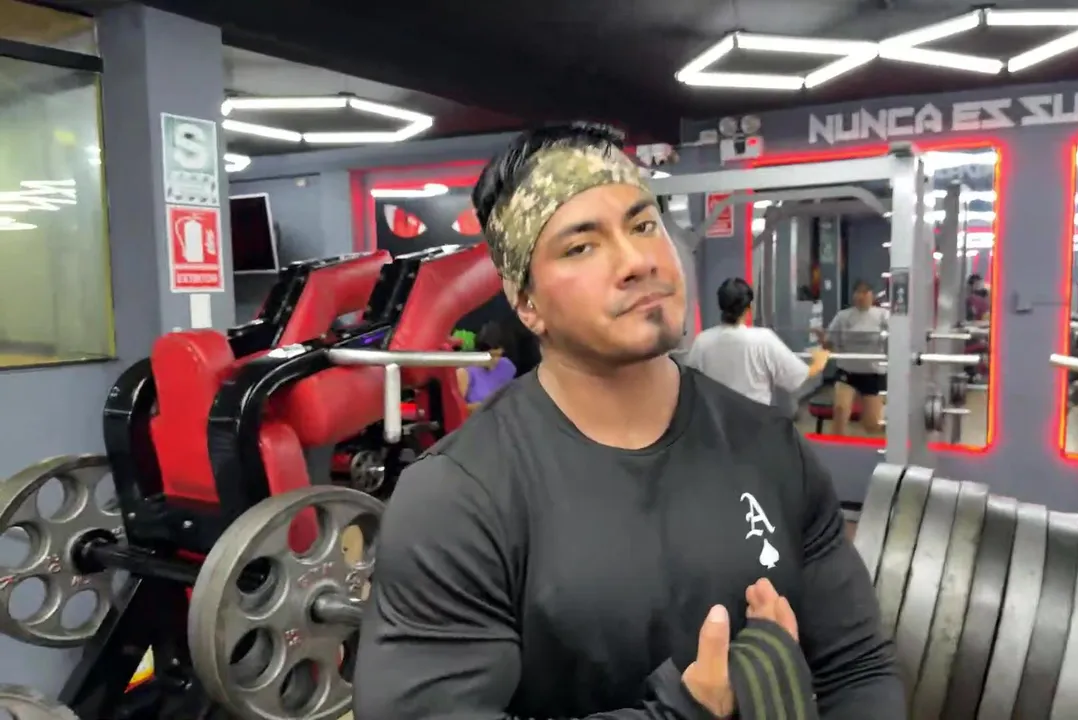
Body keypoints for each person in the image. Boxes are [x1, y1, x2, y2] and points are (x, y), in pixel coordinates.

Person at [355, 122, 903, 720]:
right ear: (527, 303)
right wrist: (683, 712)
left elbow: (858, 670)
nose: (638, 261)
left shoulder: (772, 448)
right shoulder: (457, 497)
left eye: (643, 226)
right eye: (581, 247)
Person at [683, 277, 831, 406]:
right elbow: (798, 376)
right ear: (749, 308)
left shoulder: (702, 341)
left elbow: (689, 383)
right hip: (755, 422)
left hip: (714, 422)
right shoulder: (763, 339)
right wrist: (819, 362)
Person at [819, 281, 889, 437]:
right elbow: (829, 345)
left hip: (872, 374)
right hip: (847, 372)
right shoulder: (843, 316)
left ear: (871, 295)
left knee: (872, 424)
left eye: (865, 292)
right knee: (840, 409)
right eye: (858, 292)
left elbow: (895, 339)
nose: (861, 296)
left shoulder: (883, 315)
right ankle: (837, 445)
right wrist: (822, 339)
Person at [456, 320, 518, 412]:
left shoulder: (508, 367)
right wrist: (478, 407)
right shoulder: (465, 372)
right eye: (486, 355)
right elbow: (455, 411)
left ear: (502, 350)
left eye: (495, 355)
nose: (490, 360)